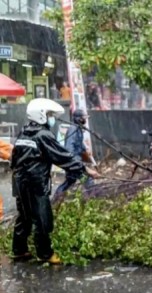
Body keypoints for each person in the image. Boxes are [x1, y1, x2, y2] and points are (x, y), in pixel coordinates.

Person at [10, 98, 98, 264]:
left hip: (19, 181)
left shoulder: (24, 132)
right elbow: (62, 156)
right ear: (41, 115)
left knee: (24, 217)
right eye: (50, 114)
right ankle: (45, 254)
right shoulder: (43, 135)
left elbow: (14, 157)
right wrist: (85, 169)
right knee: (42, 219)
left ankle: (19, 250)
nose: (52, 118)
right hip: (35, 183)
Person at [55, 109, 96, 196]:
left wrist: (86, 150)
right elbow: (69, 149)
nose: (85, 120)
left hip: (75, 162)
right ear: (79, 119)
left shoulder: (78, 129)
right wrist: (76, 164)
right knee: (88, 180)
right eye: (83, 118)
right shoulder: (73, 130)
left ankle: (57, 197)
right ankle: (93, 198)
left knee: (70, 181)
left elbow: (79, 144)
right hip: (74, 163)